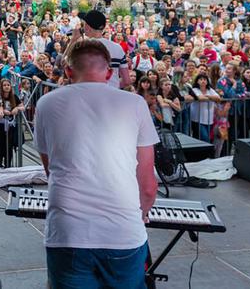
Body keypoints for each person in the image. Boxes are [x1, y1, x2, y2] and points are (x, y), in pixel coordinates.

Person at [34, 39, 158, 289]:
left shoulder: (46, 104)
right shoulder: (135, 104)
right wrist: (140, 215)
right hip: (123, 232)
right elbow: (147, 184)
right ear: (110, 72)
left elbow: (51, 169)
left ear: (68, 71)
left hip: (68, 232)